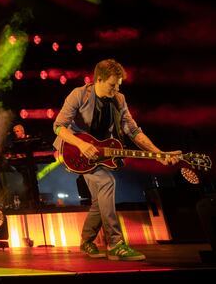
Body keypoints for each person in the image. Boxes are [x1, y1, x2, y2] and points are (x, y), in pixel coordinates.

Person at [52, 59, 180, 261]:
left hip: (100, 153)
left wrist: (159, 153)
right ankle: (115, 243)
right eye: (113, 85)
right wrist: (81, 144)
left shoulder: (119, 99)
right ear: (99, 80)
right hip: (74, 151)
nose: (117, 89)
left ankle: (86, 241)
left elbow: (133, 131)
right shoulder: (79, 94)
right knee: (107, 182)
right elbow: (58, 127)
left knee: (99, 200)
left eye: (118, 84)